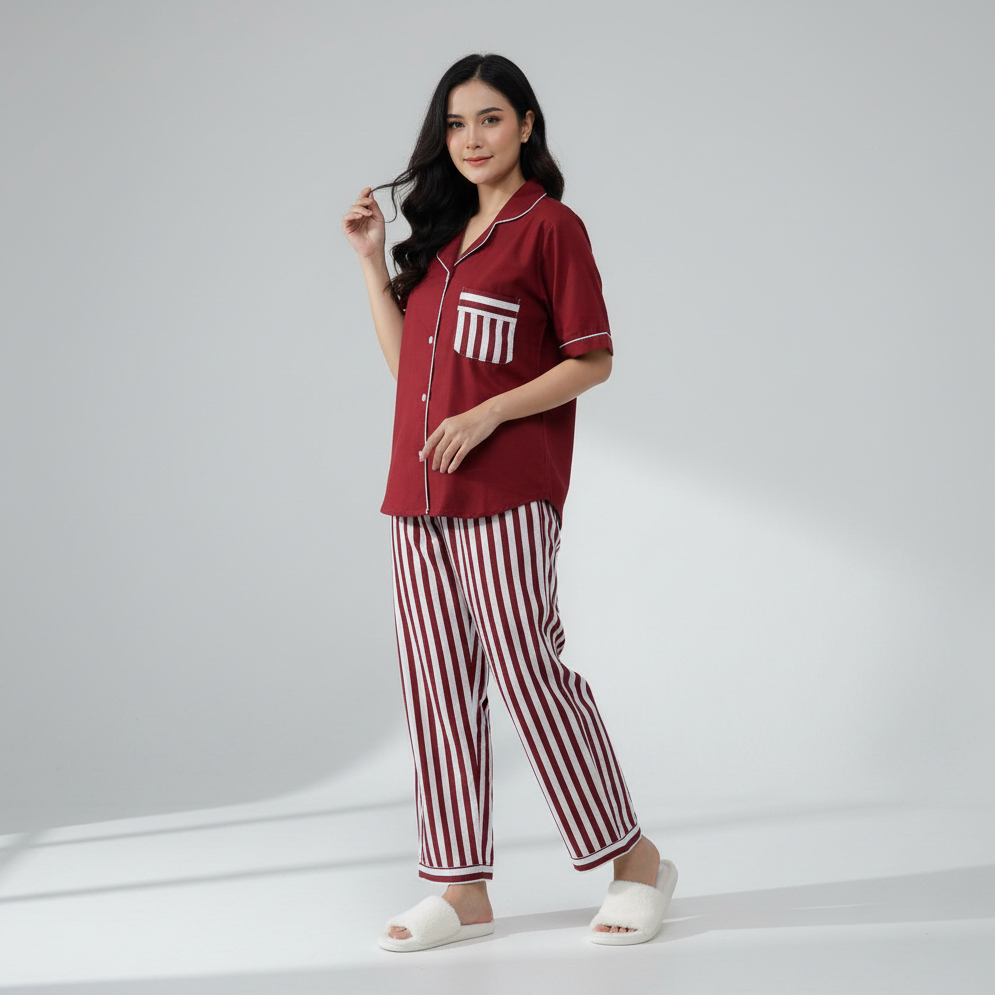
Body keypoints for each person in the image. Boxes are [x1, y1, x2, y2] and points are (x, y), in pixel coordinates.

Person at [341, 52, 677, 951]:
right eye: (455, 124)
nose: (471, 139)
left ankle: (636, 860)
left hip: (506, 492)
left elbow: (591, 359)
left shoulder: (550, 228)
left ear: (526, 124)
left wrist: (490, 410)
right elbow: (406, 368)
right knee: (436, 686)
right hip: (416, 494)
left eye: (489, 119)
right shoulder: (443, 240)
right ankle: (460, 886)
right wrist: (372, 262)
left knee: (527, 667)